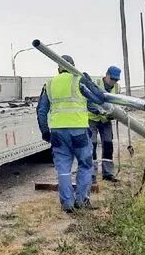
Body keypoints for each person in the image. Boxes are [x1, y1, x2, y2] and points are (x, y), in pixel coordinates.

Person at [36, 55, 106, 213]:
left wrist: (45, 131)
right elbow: (99, 98)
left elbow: (41, 111)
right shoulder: (79, 80)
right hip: (79, 131)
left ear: (58, 68)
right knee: (85, 165)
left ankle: (67, 204)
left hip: (58, 133)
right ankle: (81, 200)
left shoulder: (50, 84)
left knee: (63, 169)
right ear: (73, 66)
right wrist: (87, 80)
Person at [88, 65, 121, 182]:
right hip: (92, 119)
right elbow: (88, 101)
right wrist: (96, 110)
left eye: (116, 80)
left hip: (106, 120)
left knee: (108, 144)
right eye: (112, 79)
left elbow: (118, 103)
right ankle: (91, 174)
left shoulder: (117, 88)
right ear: (106, 75)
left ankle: (108, 173)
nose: (114, 82)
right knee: (92, 145)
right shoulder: (95, 83)